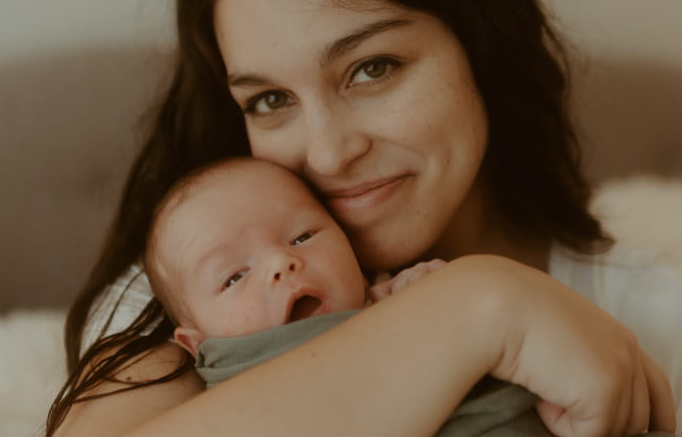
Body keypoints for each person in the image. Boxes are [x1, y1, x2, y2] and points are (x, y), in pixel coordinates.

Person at [46, 0, 682, 436]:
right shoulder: (195, 291)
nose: (327, 154)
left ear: (483, 44)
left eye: (372, 68)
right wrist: (480, 308)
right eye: (270, 99)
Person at [144, 156, 565, 436]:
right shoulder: (228, 397)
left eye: (303, 236)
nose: (280, 262)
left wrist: (430, 294)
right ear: (195, 344)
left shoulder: (401, 301)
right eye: (234, 277)